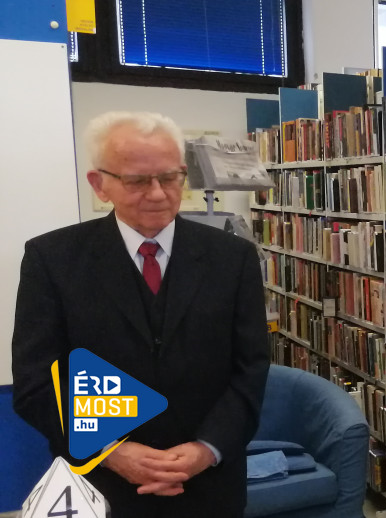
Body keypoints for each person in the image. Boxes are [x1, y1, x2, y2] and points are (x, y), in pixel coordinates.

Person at [12, 111, 269, 517]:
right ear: (99, 184)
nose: (158, 194)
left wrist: (208, 448)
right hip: (100, 484)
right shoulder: (52, 260)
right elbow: (38, 380)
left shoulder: (233, 258)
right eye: (137, 181)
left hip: (208, 486)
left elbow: (251, 368)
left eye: (170, 177)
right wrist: (110, 450)